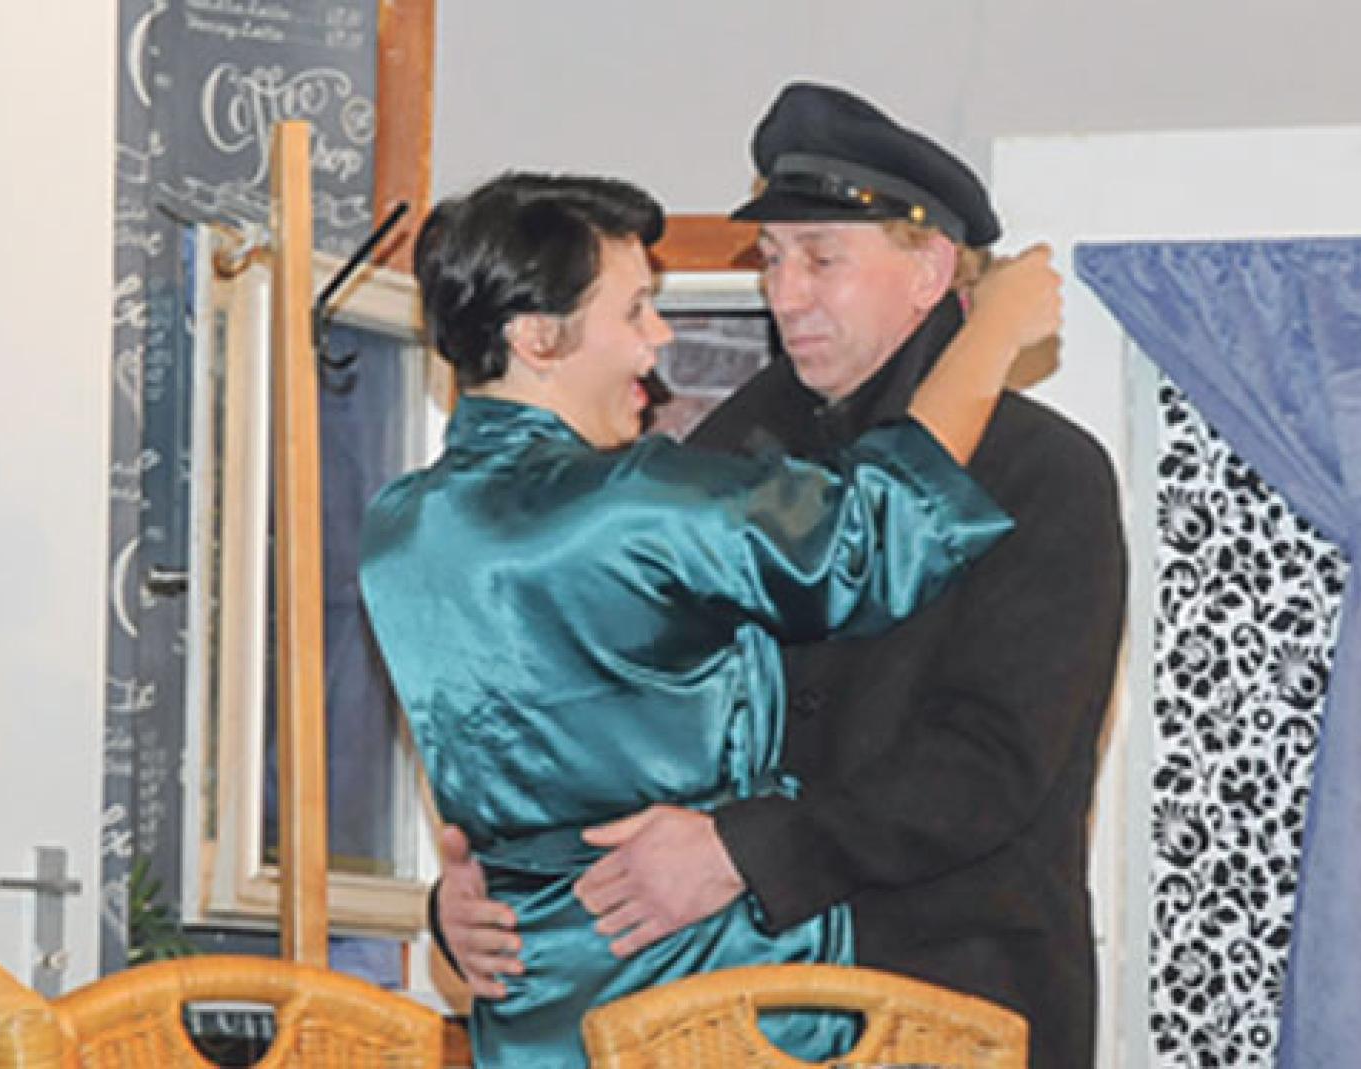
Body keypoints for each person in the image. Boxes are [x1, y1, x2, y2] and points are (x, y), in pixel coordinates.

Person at [433, 84, 1128, 1069]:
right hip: (734, 1018)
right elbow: (611, 725)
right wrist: (490, 893)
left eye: (820, 258)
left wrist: (742, 850)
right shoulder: (722, 455)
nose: (785, 293)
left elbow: (990, 764)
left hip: (953, 1009)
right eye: (770, 258)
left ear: (929, 268)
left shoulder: (1044, 473)